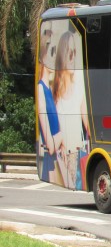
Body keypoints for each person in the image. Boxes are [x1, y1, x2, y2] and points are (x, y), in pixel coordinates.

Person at [53, 30, 90, 189]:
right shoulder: (54, 89)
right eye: (69, 51)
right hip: (61, 153)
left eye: (75, 52)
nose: (72, 56)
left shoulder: (80, 84)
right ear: (62, 54)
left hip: (76, 150)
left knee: (76, 181)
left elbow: (86, 121)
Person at [37, 25, 64, 184]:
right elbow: (51, 145)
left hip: (56, 165)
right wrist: (64, 134)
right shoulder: (41, 90)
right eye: (52, 53)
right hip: (51, 165)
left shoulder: (49, 91)